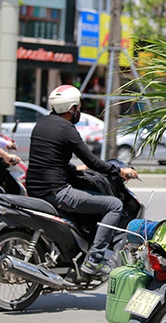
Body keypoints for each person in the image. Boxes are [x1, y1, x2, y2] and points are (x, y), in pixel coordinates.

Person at [25, 84, 138, 276]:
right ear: (71, 109)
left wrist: (75, 169)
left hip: (35, 188)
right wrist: (119, 170)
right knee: (114, 205)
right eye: (78, 107)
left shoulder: (42, 123)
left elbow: (49, 159)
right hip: (57, 193)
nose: (79, 110)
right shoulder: (67, 129)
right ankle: (95, 259)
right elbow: (93, 162)